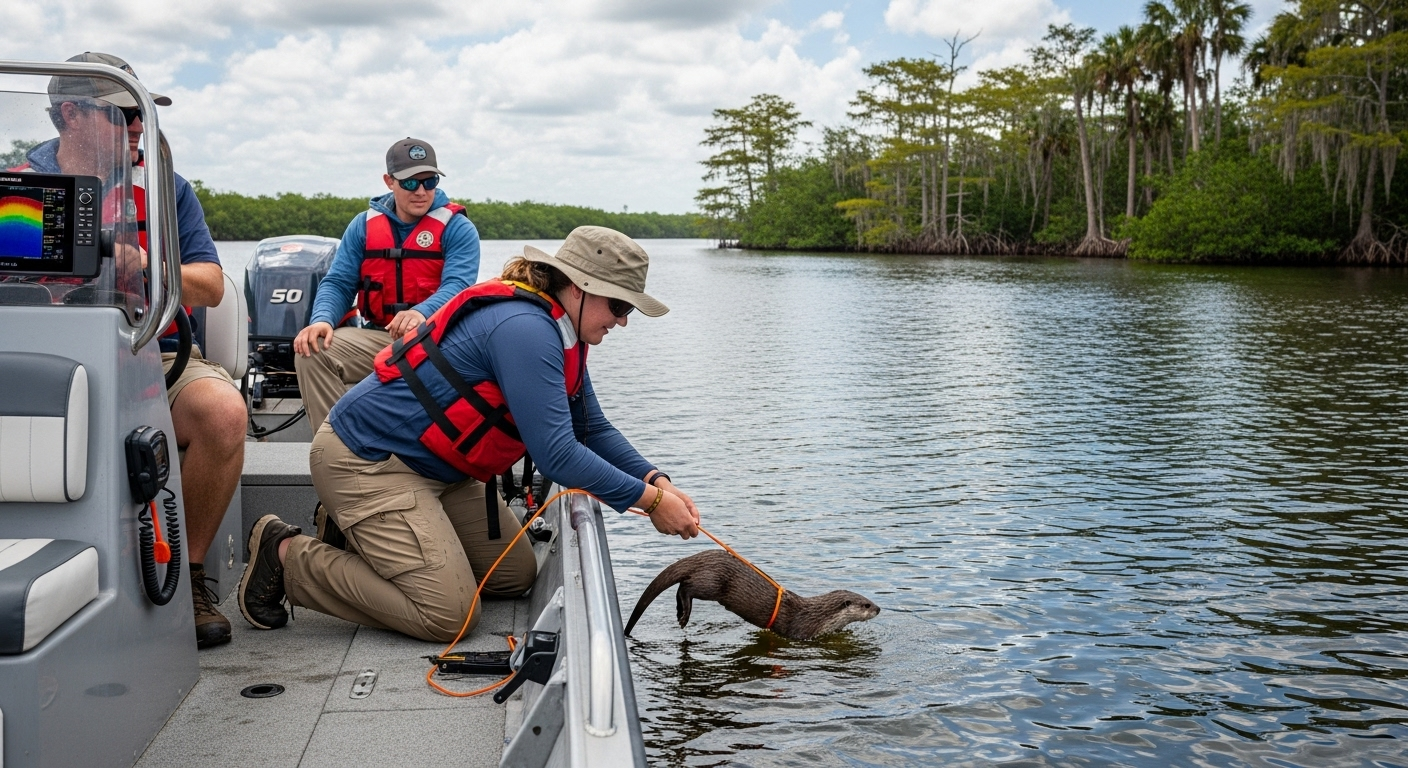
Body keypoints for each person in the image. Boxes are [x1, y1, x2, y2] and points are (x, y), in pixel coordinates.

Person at [238, 226, 700, 642]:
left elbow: (590, 425)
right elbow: (557, 455)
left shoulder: (565, 333)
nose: (622, 321)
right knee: (450, 616)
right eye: (619, 306)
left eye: (629, 311)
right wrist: (651, 504)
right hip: (368, 463)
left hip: (440, 473)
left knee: (514, 576)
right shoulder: (525, 329)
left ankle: (352, 536)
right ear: (579, 289)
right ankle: (286, 558)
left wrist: (656, 479)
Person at [19, 53, 247, 649]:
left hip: (157, 359)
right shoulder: (18, 188)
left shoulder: (167, 190)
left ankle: (190, 577)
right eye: (123, 113)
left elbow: (212, 284)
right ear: (69, 114)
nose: (138, 124)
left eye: (141, 112)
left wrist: (146, 263)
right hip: (50, 362)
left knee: (224, 414)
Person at [292, 138, 480, 431]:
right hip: (380, 337)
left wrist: (422, 312)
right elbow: (339, 283)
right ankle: (335, 447)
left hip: (439, 343)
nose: (421, 191)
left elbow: (458, 285)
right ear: (389, 181)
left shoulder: (458, 228)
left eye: (429, 181)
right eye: (409, 183)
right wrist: (322, 319)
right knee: (312, 350)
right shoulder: (363, 225)